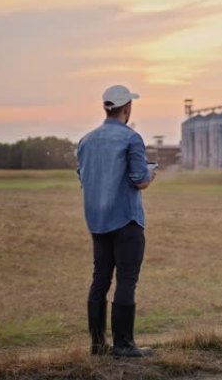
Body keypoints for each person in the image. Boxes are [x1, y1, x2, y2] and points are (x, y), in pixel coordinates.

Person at [76, 85, 155, 358]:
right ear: (127, 108)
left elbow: (82, 177)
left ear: (105, 107)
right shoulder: (131, 139)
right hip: (126, 220)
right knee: (126, 280)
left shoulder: (86, 141)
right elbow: (139, 180)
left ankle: (98, 345)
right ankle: (123, 344)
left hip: (97, 221)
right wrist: (151, 172)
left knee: (100, 279)